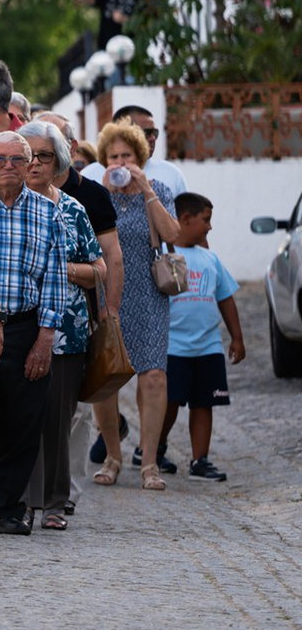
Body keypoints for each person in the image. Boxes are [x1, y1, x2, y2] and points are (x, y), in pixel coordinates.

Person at [0, 131, 75, 535]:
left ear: (32, 163)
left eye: (18, 159)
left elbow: (55, 279)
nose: (9, 167)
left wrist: (45, 337)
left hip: (28, 326)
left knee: (25, 418)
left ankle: (10, 507)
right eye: (1, 159)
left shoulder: (49, 213)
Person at [18, 121, 103, 531]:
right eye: (26, 155)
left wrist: (61, 271)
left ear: (59, 163)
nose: (34, 163)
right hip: (17, 327)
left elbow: (99, 268)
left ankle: (54, 502)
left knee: (57, 417)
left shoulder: (73, 209)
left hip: (67, 330)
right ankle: (19, 499)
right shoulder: (2, 207)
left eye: (43, 156)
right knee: (18, 415)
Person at [89, 119, 181, 489]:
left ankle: (150, 462)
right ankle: (112, 455)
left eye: (127, 155)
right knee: (106, 377)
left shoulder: (156, 188)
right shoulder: (97, 194)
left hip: (149, 292)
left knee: (155, 375)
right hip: (108, 293)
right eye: (114, 156)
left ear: (139, 157)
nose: (121, 162)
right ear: (104, 161)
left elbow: (174, 234)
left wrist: (145, 189)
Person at [160, 192, 244, 482]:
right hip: (173, 346)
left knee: (204, 402)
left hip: (208, 347)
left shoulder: (211, 258)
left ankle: (200, 460)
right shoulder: (164, 254)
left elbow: (226, 299)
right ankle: (155, 448)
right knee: (168, 402)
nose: (209, 227)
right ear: (185, 219)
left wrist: (236, 338)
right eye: (205, 220)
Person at [80, 104, 188, 198]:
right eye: (146, 133)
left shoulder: (172, 174)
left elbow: (181, 219)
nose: (152, 138)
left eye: (154, 132)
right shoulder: (89, 176)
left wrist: (149, 194)